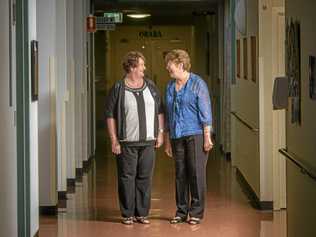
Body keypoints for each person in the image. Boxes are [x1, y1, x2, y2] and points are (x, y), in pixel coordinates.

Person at [105, 51, 164, 225]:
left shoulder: (151, 86)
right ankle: (127, 214)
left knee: (145, 177)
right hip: (126, 143)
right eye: (141, 65)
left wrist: (160, 132)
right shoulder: (118, 88)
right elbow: (110, 115)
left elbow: (159, 110)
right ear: (132, 67)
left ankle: (142, 213)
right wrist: (114, 139)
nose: (144, 68)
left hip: (148, 141)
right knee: (126, 177)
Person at [164, 49, 213, 225]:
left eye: (170, 64)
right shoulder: (170, 86)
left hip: (196, 135)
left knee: (196, 173)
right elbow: (169, 115)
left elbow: (205, 112)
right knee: (180, 174)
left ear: (181, 64)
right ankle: (181, 210)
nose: (167, 68)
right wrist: (168, 140)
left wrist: (207, 137)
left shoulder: (197, 83)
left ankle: (196, 212)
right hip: (177, 135)